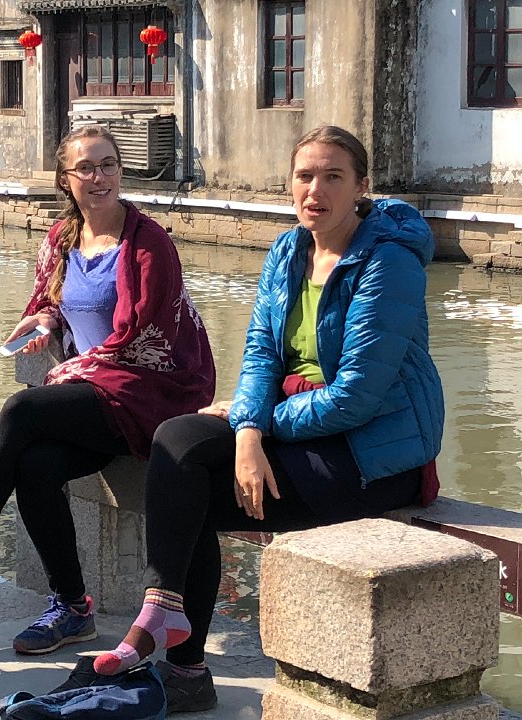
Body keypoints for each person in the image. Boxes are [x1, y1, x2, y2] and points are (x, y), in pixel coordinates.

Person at [91, 125, 444, 713]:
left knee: (192, 499)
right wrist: (249, 429)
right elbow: (260, 352)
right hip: (293, 421)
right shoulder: (287, 251)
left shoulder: (389, 263)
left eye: (333, 177)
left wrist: (257, 426)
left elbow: (355, 397)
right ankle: (164, 607)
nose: (315, 190)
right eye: (305, 176)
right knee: (177, 440)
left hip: (373, 451)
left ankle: (182, 668)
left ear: (361, 187)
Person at [0, 124, 216, 655]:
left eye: (108, 165)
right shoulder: (61, 240)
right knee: (36, 468)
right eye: (86, 168)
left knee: (22, 409)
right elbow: (52, 302)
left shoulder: (148, 243)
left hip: (150, 393)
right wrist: (44, 321)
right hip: (98, 395)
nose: (99, 177)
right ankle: (72, 608)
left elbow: (145, 334)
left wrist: (74, 371)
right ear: (65, 179)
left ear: (121, 171)